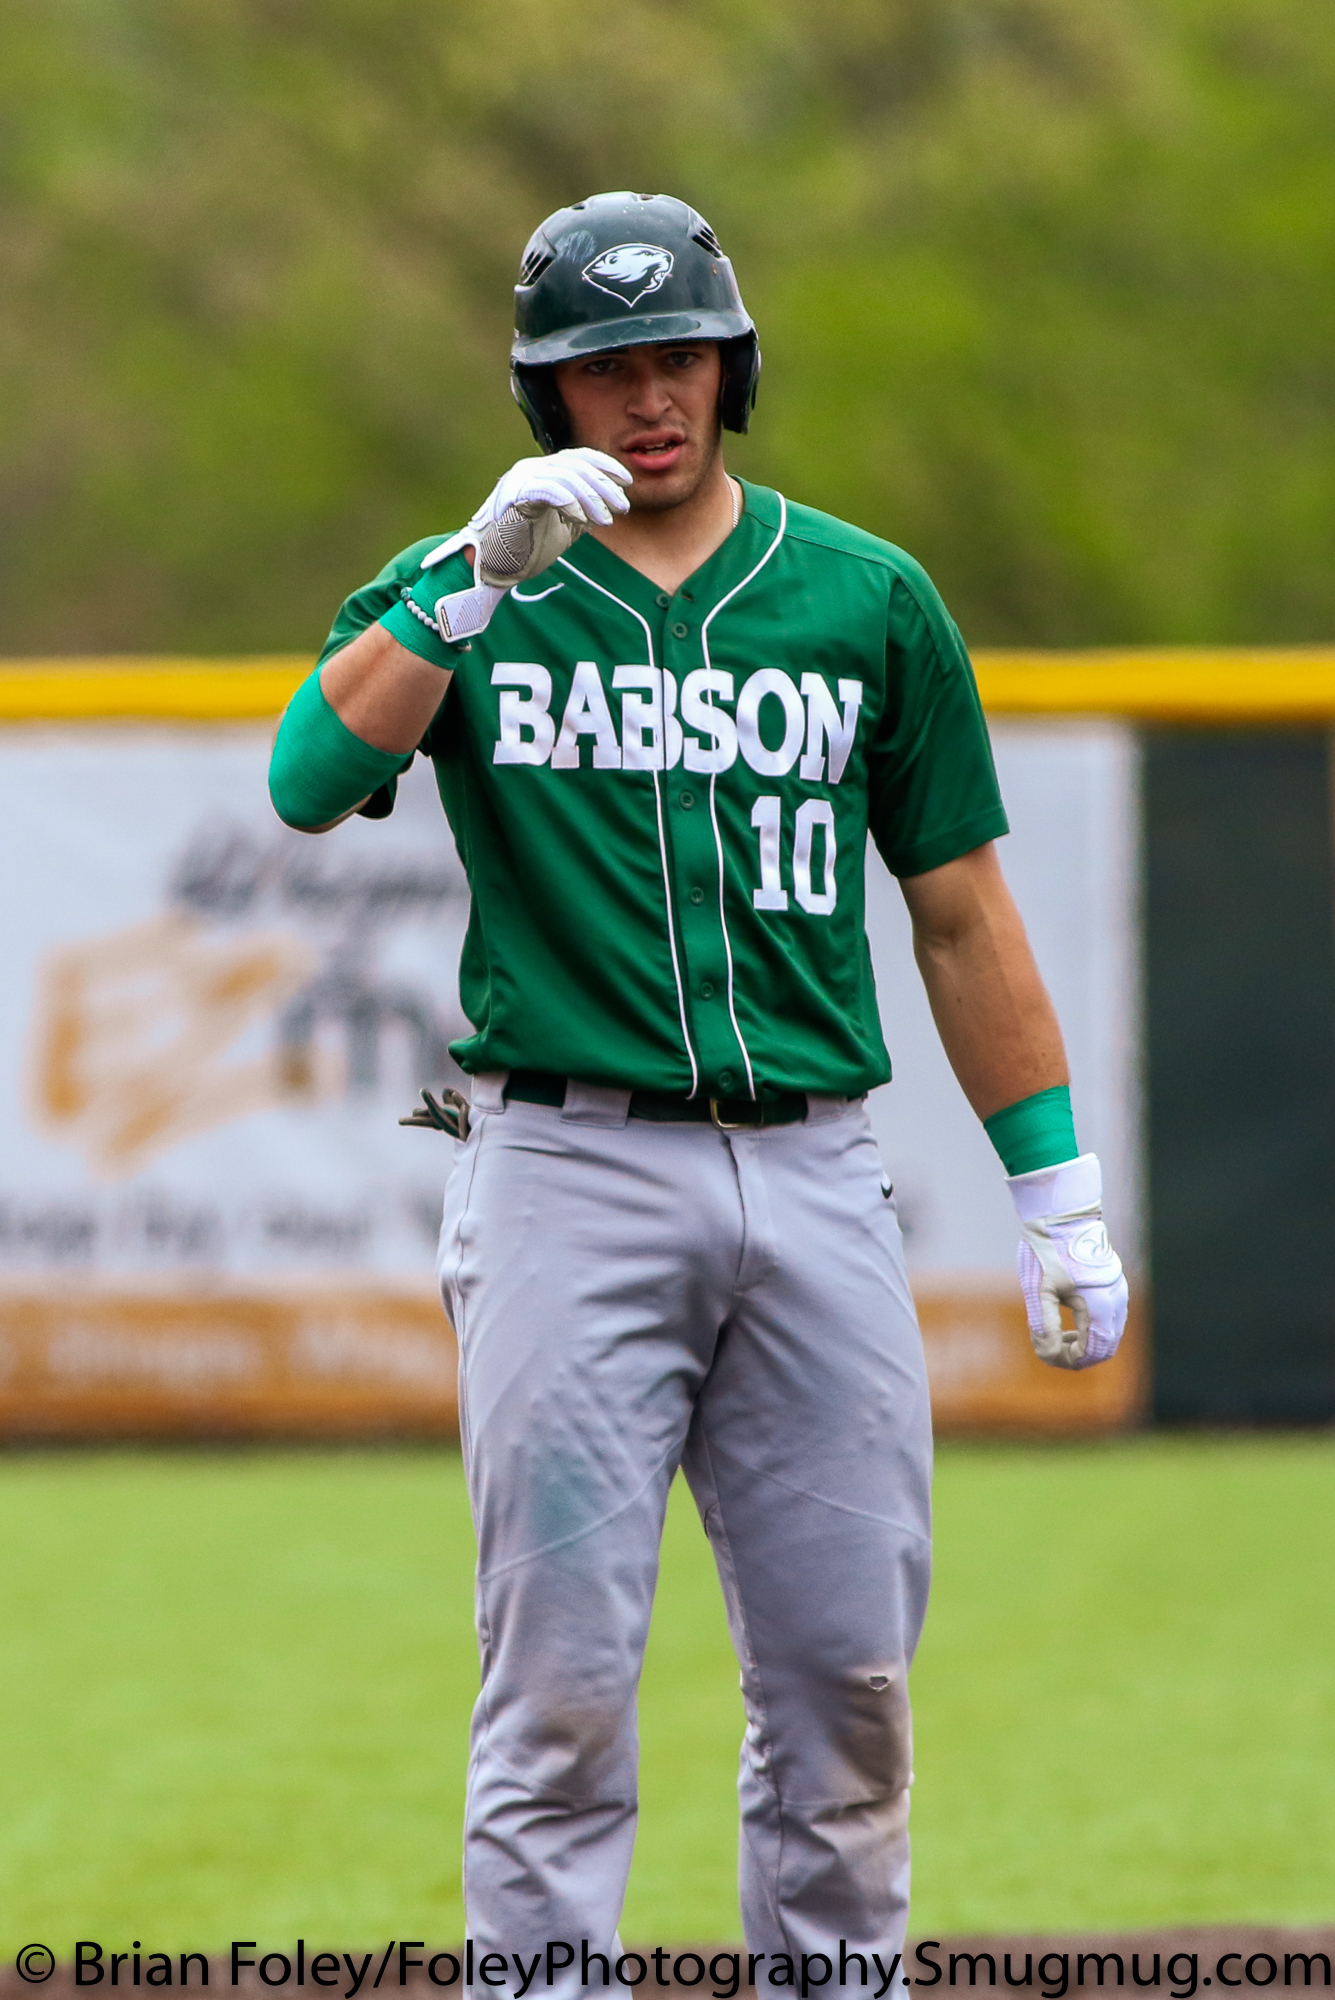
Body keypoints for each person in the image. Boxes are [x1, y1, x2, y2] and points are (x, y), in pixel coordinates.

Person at [269, 191, 1127, 1974]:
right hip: (567, 1171)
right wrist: (465, 579)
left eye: (678, 359)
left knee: (847, 1682)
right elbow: (302, 774)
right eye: (604, 370)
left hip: (817, 1177)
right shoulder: (474, 586)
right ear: (548, 399)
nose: (648, 399)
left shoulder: (864, 594)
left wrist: (1056, 1195)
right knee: (564, 1686)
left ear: (732, 368)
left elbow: (961, 915)